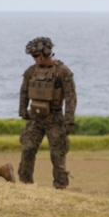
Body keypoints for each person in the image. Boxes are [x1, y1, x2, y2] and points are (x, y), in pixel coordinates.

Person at [18, 37, 76, 189]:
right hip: (35, 119)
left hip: (55, 118)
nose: (35, 59)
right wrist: (23, 110)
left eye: (37, 56)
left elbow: (71, 97)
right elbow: (24, 91)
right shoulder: (31, 71)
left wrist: (69, 120)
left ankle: (60, 187)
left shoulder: (62, 72)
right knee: (28, 149)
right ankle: (25, 184)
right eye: (33, 56)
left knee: (57, 154)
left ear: (46, 52)